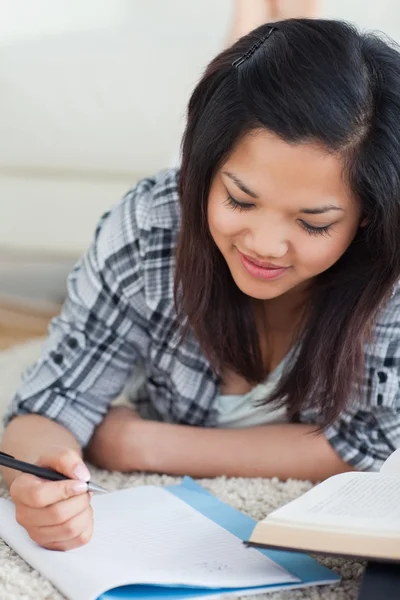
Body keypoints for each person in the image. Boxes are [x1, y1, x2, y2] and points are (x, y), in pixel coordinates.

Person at [2, 18, 400, 552]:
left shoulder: (387, 271)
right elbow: (51, 404)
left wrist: (138, 444)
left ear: (368, 216)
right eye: (240, 199)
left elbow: (374, 443)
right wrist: (39, 478)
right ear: (204, 172)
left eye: (312, 223)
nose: (265, 244)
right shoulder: (151, 227)